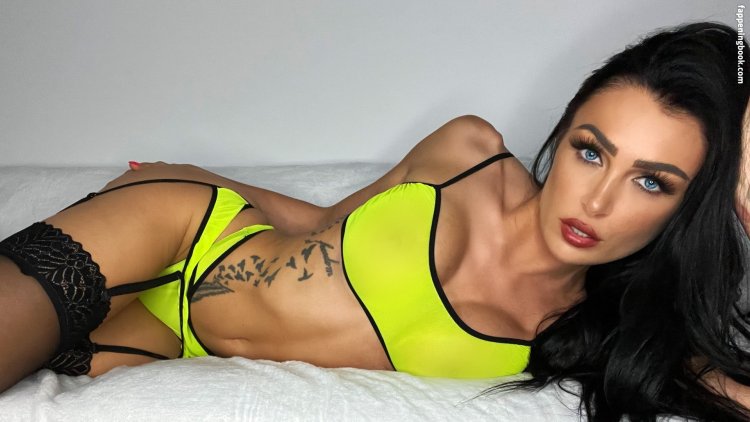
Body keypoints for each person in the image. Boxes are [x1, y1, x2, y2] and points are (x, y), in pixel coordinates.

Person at [0, 20, 748, 420]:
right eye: (590, 151)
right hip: (177, 236)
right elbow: (324, 221)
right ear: (567, 126)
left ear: (695, 206)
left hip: (166, 347)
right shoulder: (470, 152)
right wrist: (191, 176)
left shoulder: (608, 329)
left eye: (651, 181)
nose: (597, 200)